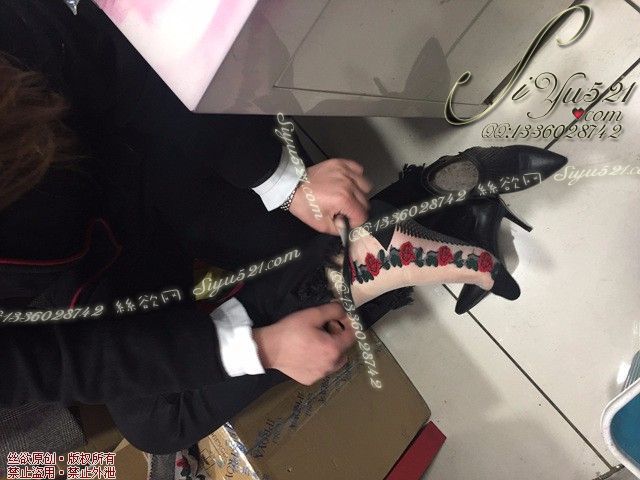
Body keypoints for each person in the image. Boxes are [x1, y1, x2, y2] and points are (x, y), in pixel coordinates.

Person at [0, 0, 566, 454]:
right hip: (101, 276)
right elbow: (61, 362)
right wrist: (256, 348)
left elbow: (133, 63)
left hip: (146, 154)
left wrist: (283, 183)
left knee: (308, 242)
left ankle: (412, 225)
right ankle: (414, 220)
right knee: (161, 416)